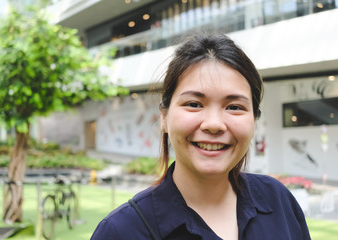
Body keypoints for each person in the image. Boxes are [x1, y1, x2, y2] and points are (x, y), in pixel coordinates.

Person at [90, 34, 311, 240]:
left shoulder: (278, 201)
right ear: (164, 117)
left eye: (234, 106)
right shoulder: (120, 231)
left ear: (254, 119)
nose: (214, 124)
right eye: (194, 104)